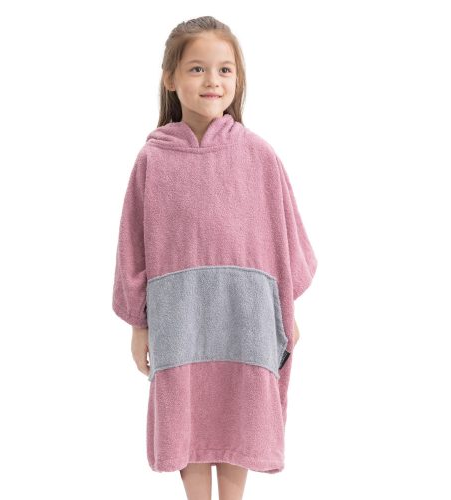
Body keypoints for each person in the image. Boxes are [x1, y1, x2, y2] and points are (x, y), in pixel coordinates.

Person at [112, 15, 318, 500]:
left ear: (238, 78)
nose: (212, 81)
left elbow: (284, 237)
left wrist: (286, 309)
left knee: (239, 410)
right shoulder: (153, 160)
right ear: (170, 78)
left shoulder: (259, 156)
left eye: (225, 70)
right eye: (197, 68)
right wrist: (139, 324)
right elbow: (133, 247)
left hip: (246, 312)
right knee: (188, 412)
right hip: (179, 314)